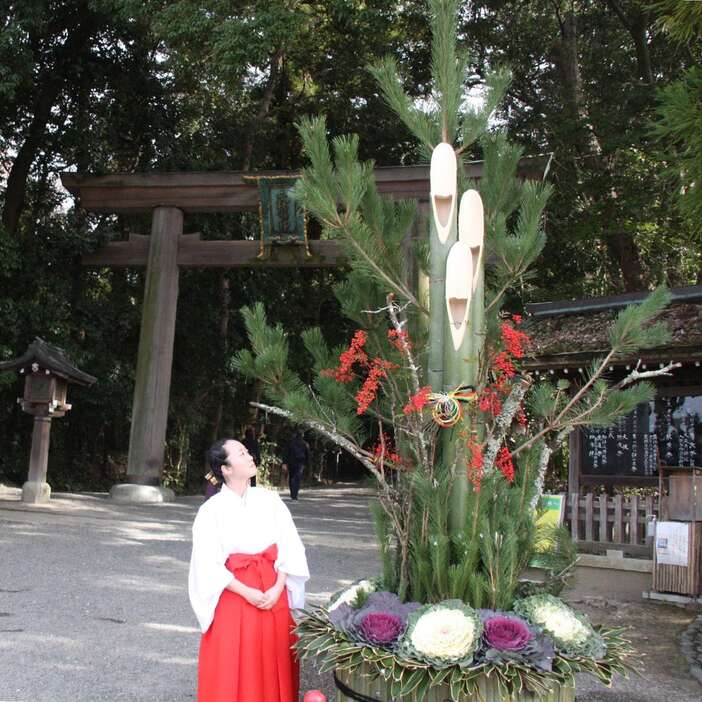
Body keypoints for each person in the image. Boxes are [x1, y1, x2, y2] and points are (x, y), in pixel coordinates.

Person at [189, 438, 310, 702]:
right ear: (226, 469)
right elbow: (207, 563)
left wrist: (279, 586)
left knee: (274, 659)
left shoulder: (270, 499)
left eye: (247, 452)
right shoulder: (211, 511)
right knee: (234, 663)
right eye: (242, 454)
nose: (250, 456)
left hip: (273, 592)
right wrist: (246, 592)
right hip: (234, 594)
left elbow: (290, 545)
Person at [282, 430, 309, 501]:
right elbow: (307, 455)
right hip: (300, 463)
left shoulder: (290, 443)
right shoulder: (305, 444)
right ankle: (295, 494)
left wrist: (284, 463)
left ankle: (292, 493)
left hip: (291, 463)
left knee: (291, 477)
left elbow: (286, 453)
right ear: (302, 435)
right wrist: (306, 464)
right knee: (297, 478)